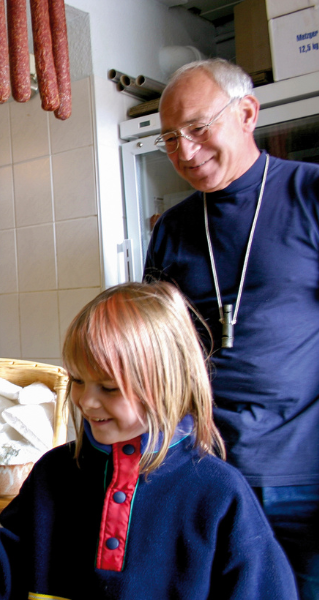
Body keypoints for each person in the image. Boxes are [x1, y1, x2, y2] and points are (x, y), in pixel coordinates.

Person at [0, 282, 297, 599]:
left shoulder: (219, 494)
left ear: (168, 385)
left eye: (108, 387)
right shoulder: (54, 474)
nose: (85, 400)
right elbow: (4, 575)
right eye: (79, 380)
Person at [144, 58, 319, 598]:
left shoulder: (308, 194)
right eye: (170, 138)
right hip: (207, 472)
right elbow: (158, 351)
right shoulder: (173, 228)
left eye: (198, 129)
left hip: (306, 476)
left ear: (246, 113)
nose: (185, 152)